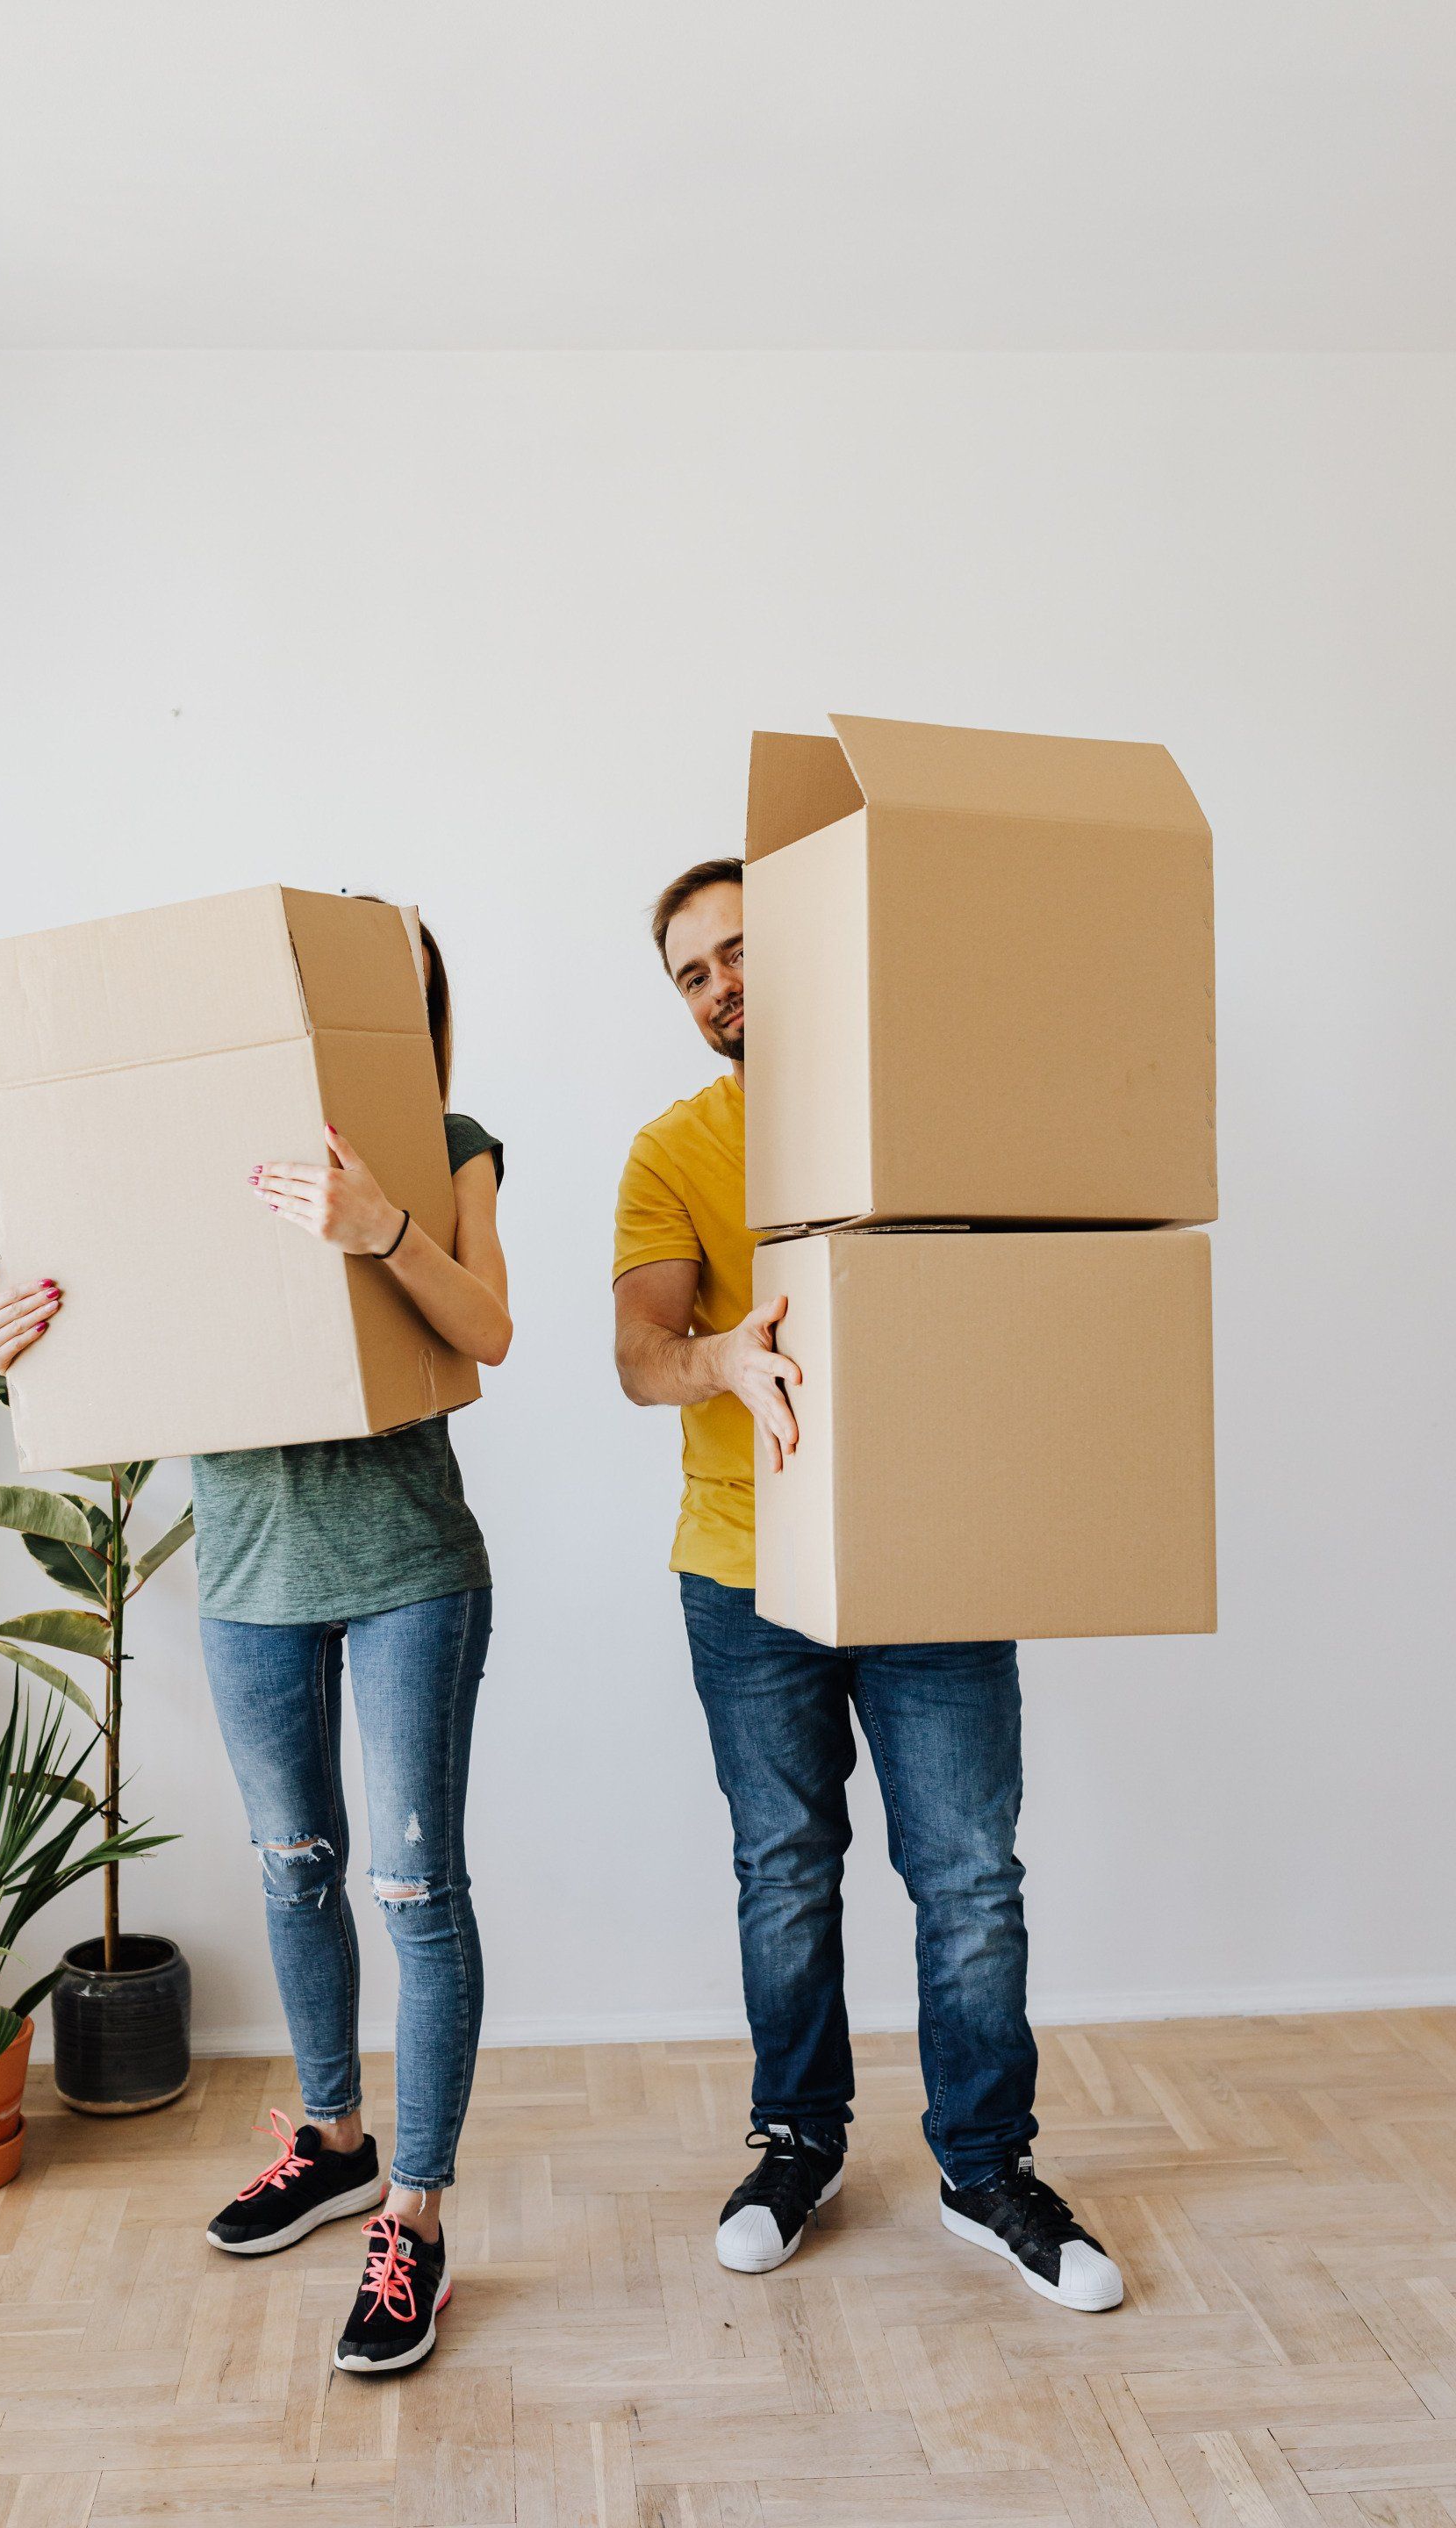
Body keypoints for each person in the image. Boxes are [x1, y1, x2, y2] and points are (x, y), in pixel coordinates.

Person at [0, 915, 509, 2375]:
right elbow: (115, 1339)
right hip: (249, 1582)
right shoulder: (181, 1156)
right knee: (293, 1872)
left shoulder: (452, 1140)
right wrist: (26, 1338)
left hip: (410, 1572)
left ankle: (419, 2215)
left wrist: (380, 1227)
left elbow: (491, 1330)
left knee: (411, 1888)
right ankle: (332, 2140)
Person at [611, 857, 1122, 2312]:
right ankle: (797, 2143)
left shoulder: (935, 1115)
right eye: (694, 974)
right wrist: (720, 1357)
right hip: (744, 1573)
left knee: (968, 1877)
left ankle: (985, 2166)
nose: (722, 987)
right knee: (784, 1870)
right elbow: (642, 1353)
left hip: (931, 1552)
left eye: (741, 952)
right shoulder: (674, 1150)